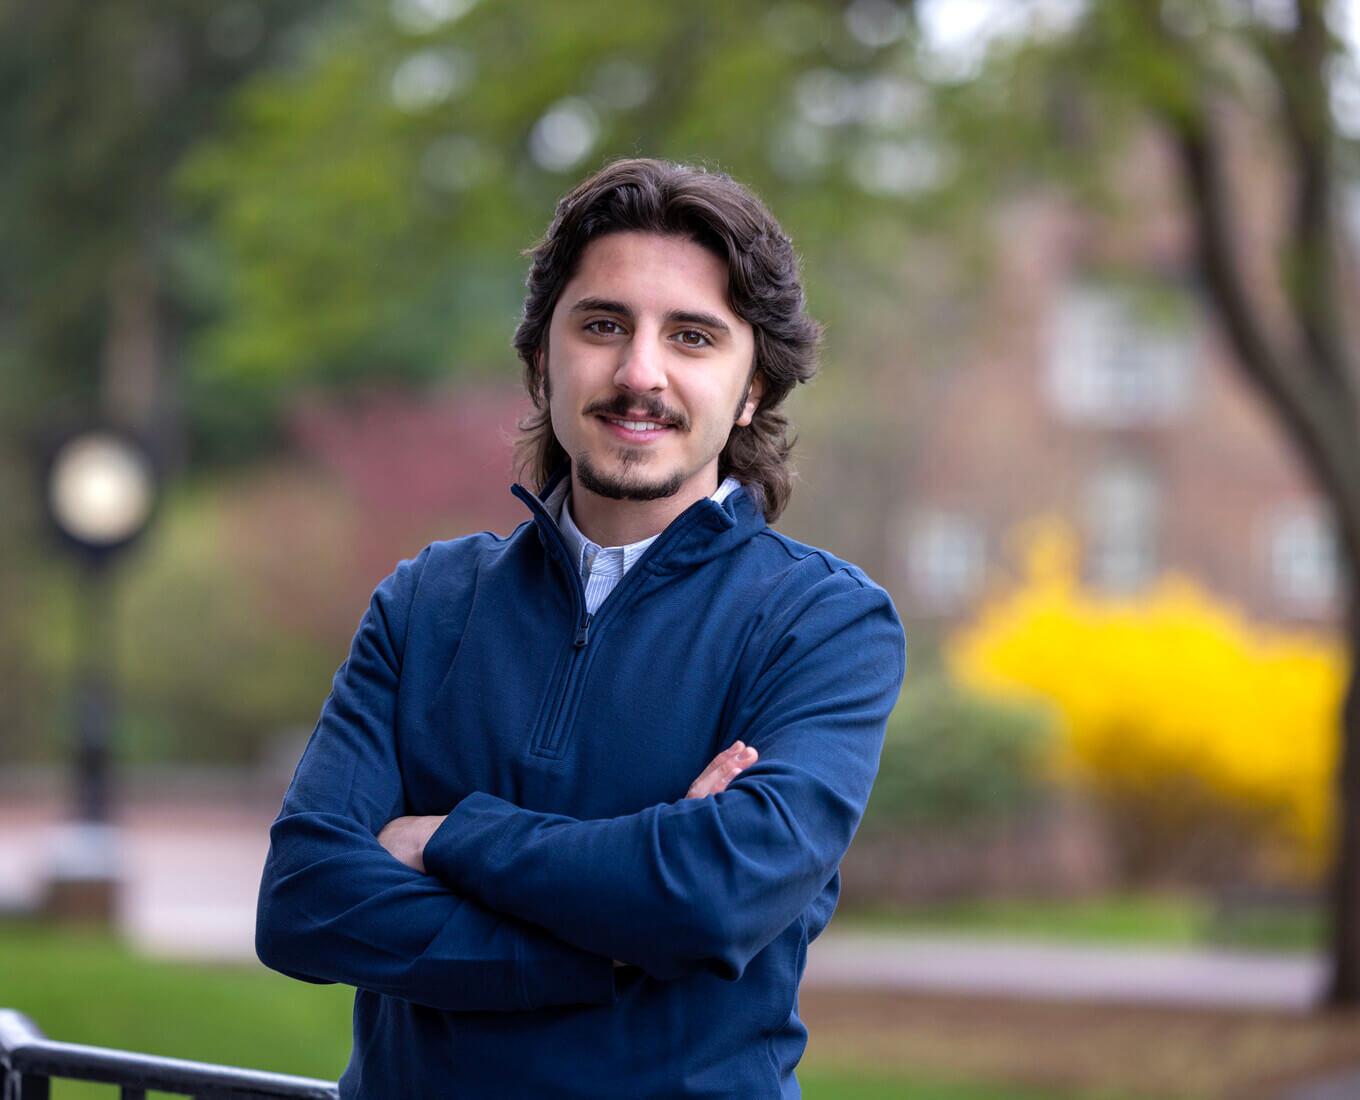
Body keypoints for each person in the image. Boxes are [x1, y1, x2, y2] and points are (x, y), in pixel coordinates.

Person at [255, 157, 906, 1099]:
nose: (639, 373)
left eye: (692, 337)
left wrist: (448, 840)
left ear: (753, 388)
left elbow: (713, 895)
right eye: (603, 325)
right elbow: (307, 903)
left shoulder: (823, 625)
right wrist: (609, 951)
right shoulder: (426, 603)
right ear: (541, 360)